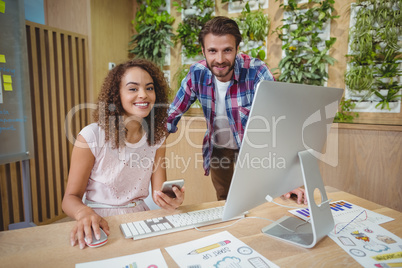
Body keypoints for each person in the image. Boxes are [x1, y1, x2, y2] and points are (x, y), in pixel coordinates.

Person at [167, 16, 306, 203]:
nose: (220, 59)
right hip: (218, 146)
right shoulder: (196, 73)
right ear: (203, 51)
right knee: (225, 199)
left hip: (252, 147)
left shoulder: (257, 72)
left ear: (237, 50)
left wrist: (287, 179)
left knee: (259, 199)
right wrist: (146, 143)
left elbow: (278, 123)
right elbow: (172, 114)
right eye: (212, 51)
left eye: (227, 50)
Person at [62, 59, 185, 249]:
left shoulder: (157, 137)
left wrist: (172, 200)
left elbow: (159, 194)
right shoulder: (92, 136)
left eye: (149, 88)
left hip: (140, 218)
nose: (143, 95)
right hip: (97, 221)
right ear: (116, 95)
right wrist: (83, 214)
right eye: (133, 89)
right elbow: (70, 198)